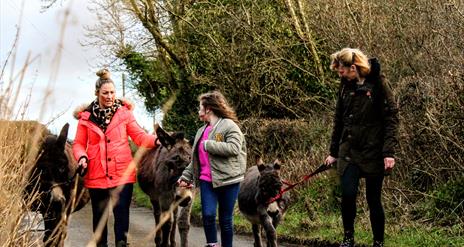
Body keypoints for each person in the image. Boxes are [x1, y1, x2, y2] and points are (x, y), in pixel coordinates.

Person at [72, 69, 157, 247]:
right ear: (97, 93)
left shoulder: (125, 114)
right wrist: (81, 157)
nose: (109, 96)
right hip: (96, 175)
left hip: (122, 175)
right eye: (105, 93)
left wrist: (158, 141)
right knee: (100, 219)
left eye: (112, 92)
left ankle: (121, 243)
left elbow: (140, 137)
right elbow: (78, 144)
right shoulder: (85, 118)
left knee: (121, 216)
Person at [324, 48, 399, 247]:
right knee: (348, 195)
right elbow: (338, 120)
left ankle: (378, 242)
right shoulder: (344, 86)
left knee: (373, 199)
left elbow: (391, 117)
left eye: (341, 71)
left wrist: (388, 152)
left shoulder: (378, 83)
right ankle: (348, 238)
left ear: (353, 67)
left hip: (373, 150)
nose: (339, 75)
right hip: (349, 151)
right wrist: (333, 152)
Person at [178, 91, 247, 247]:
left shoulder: (230, 125)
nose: (198, 110)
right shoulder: (201, 131)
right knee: (208, 215)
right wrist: (185, 177)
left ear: (208, 108)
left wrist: (209, 145)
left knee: (225, 220)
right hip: (206, 181)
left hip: (229, 181)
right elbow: (195, 159)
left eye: (200, 107)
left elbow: (234, 148)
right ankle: (212, 244)